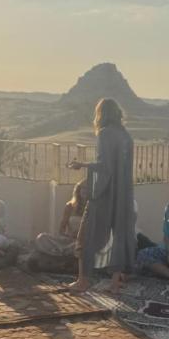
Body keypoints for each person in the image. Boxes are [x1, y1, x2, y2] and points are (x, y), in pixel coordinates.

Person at [68, 98, 136, 294]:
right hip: (123, 194)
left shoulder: (105, 134)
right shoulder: (126, 136)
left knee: (86, 234)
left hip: (105, 194)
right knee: (119, 235)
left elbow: (104, 167)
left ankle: (83, 280)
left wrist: (83, 165)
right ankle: (114, 283)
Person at [35, 179, 87, 258]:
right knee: (41, 238)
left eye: (87, 188)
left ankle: (60, 252)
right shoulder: (70, 206)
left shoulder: (93, 209)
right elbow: (61, 230)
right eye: (83, 188)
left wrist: (80, 237)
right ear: (78, 190)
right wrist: (68, 235)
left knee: (80, 246)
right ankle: (62, 251)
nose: (84, 191)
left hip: (79, 242)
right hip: (68, 240)